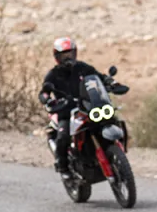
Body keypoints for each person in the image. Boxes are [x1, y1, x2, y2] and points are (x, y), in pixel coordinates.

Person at [39, 37, 128, 178]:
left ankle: (117, 153)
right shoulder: (53, 74)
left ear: (75, 53)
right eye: (64, 55)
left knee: (112, 118)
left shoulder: (82, 68)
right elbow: (44, 92)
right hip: (65, 111)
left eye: (70, 54)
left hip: (87, 106)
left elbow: (99, 77)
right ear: (57, 57)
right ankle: (63, 167)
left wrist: (112, 83)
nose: (68, 58)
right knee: (63, 136)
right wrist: (47, 99)